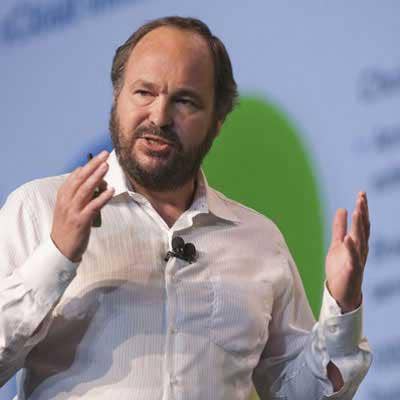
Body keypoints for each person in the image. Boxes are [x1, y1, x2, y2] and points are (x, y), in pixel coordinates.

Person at [0, 16, 371, 400]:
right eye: (144, 93)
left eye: (184, 101)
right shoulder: (38, 208)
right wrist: (56, 256)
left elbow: (300, 393)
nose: (159, 117)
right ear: (117, 98)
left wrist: (342, 305)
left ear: (217, 123)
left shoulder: (259, 241)